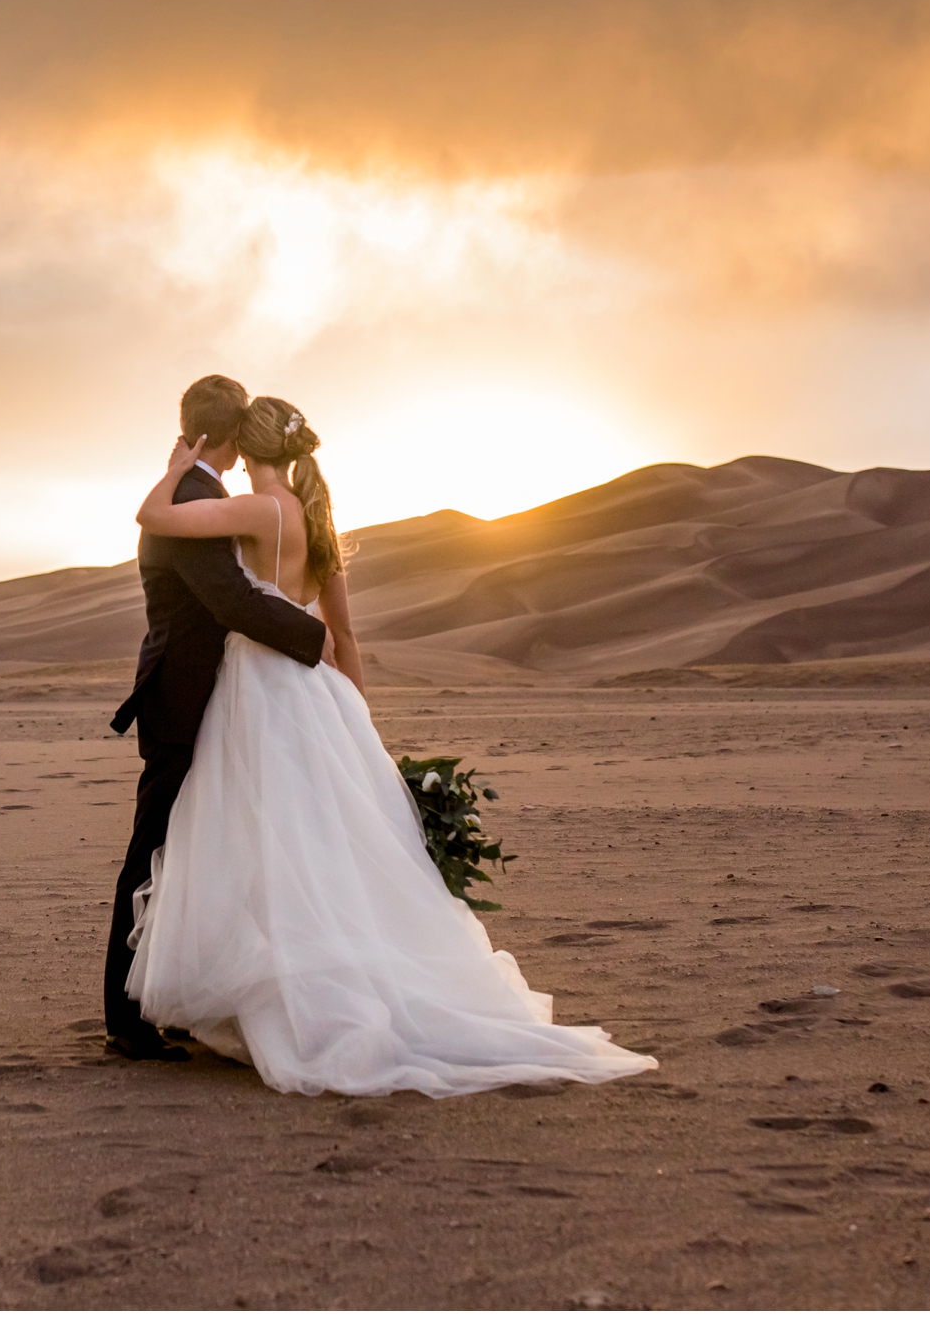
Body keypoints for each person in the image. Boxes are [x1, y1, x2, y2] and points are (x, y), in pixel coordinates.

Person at [121, 394, 660, 1097]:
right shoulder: (316, 521)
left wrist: (172, 468)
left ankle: (278, 997)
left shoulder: (262, 510)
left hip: (257, 690)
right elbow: (345, 638)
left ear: (247, 451)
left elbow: (154, 517)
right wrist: (358, 727)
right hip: (319, 694)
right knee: (325, 846)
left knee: (260, 842)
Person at [105, 375, 331, 1061]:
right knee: (154, 846)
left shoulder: (195, 490)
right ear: (227, 438)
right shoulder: (199, 495)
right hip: (184, 692)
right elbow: (230, 599)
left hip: (202, 690)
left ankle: (165, 993)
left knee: (189, 845)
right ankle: (127, 1012)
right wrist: (310, 638)